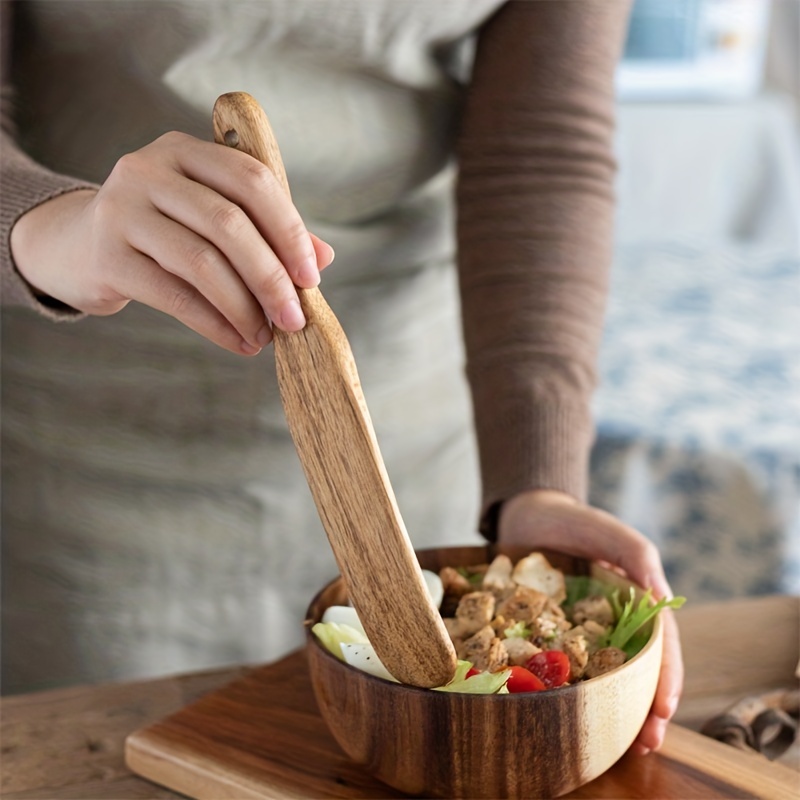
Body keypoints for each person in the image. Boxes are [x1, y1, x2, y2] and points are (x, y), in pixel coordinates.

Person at [1, 0, 680, 754]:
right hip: (83, 450)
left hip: (407, 432)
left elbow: (541, 150)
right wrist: (57, 227)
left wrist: (537, 479)